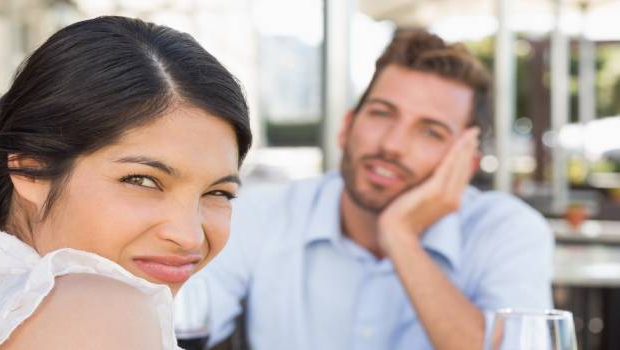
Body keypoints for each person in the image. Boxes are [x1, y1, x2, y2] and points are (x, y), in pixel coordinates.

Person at [0, 16, 251, 350]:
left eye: (218, 192)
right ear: (30, 168)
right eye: (142, 180)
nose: (188, 236)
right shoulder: (104, 310)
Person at [201, 29, 553, 350]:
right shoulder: (264, 215)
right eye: (382, 114)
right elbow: (179, 322)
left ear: (466, 165)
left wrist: (400, 237)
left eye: (431, 131)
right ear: (347, 127)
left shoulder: (509, 231)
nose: (393, 144)